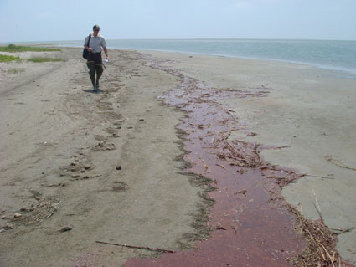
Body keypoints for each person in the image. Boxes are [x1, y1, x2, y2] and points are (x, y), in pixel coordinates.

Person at [84, 24, 109, 90]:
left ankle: (97, 80)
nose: (97, 31)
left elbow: (104, 47)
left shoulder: (101, 38)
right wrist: (88, 48)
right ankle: (94, 85)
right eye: (95, 30)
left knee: (100, 70)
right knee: (92, 71)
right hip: (90, 55)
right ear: (93, 30)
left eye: (98, 30)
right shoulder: (88, 37)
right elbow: (85, 45)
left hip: (98, 55)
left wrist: (107, 55)